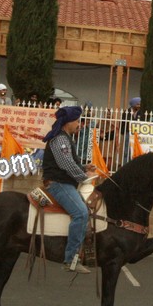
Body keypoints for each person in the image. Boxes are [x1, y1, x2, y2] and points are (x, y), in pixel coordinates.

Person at [41, 105, 94, 274]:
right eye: (77, 121)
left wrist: (84, 167)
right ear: (68, 122)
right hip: (58, 184)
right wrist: (83, 176)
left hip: (63, 182)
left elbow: (67, 162)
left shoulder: (65, 138)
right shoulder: (60, 139)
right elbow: (66, 164)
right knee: (81, 213)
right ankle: (71, 259)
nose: (79, 124)